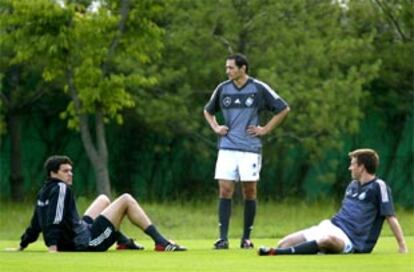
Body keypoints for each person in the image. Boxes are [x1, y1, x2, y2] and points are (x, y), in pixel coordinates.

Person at [204, 53, 290, 249]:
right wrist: (216, 127)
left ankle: (246, 238)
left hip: (250, 149)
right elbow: (207, 111)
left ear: (242, 69)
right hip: (226, 147)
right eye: (226, 68)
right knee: (225, 190)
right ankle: (223, 238)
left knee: (249, 191)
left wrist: (265, 129)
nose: (227, 71)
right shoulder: (222, 88)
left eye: (231, 68)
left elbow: (283, 108)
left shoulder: (258, 88)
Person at [16, 155, 186, 252]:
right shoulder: (61, 188)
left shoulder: (44, 190)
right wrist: (53, 247)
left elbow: (36, 222)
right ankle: (161, 242)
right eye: (65, 171)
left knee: (104, 199)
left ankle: (123, 242)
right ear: (53, 173)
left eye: (71, 170)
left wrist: (22, 245)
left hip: (81, 232)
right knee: (126, 199)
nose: (71, 174)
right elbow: (55, 219)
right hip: (86, 243)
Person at [259, 148, 408, 255]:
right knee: (285, 243)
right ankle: (299, 250)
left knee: (327, 240)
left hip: (353, 240)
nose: (350, 168)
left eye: (353, 164)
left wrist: (402, 246)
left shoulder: (379, 186)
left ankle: (278, 253)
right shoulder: (352, 185)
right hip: (332, 226)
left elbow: (391, 217)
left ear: (361, 167)